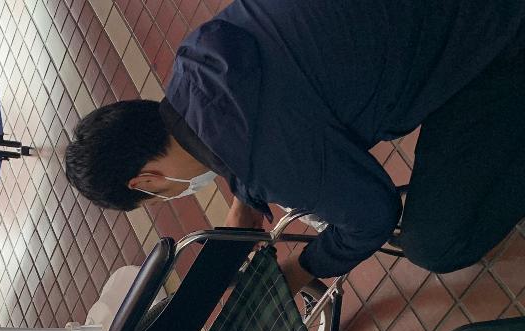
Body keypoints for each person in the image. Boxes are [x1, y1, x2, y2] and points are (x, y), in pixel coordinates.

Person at [64, 0, 525, 292]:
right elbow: (261, 106)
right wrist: (245, 198)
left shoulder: (270, 162)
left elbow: (373, 217)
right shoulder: (196, 59)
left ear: (145, 180)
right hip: (433, 20)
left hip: (494, 35)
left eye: (158, 196)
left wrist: (302, 269)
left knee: (436, 245)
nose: (172, 196)